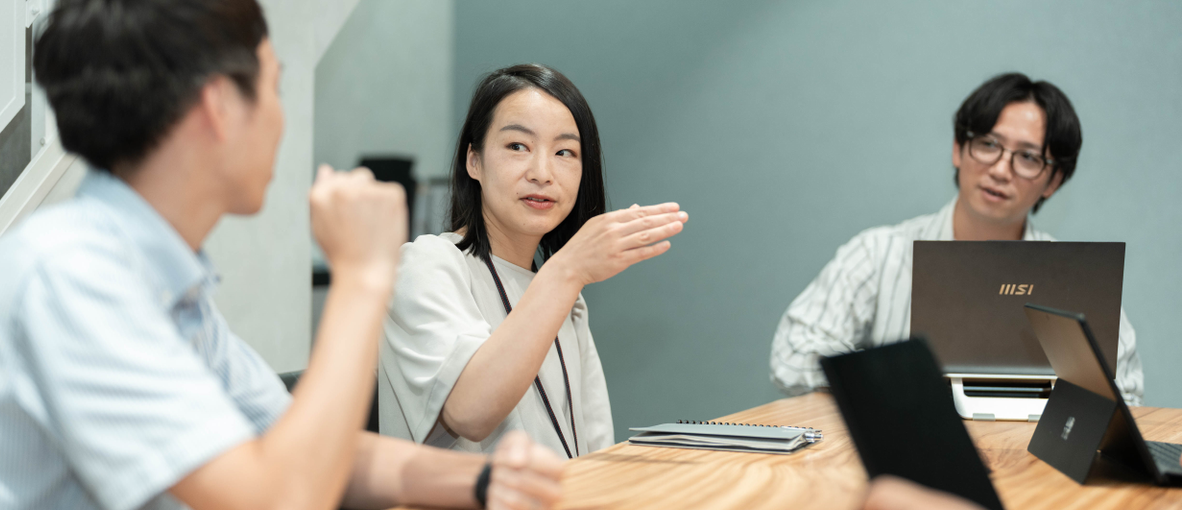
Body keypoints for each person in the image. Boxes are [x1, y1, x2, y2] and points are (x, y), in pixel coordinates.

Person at [0, 1, 563, 509]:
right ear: (219, 106)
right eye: (273, 87)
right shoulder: (71, 277)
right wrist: (362, 274)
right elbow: (282, 495)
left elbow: (316, 449)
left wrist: (485, 479)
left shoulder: (163, 284)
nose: (281, 119)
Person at [770, 72, 1145, 405]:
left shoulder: (1076, 280)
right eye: (988, 144)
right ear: (957, 148)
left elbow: (1125, 392)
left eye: (1028, 157)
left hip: (1034, 472)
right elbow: (792, 353)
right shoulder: (880, 252)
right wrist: (888, 384)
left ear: (1054, 180)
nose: (1000, 170)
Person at [378, 64, 688, 458]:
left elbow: (590, 450)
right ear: (473, 160)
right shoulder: (427, 264)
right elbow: (468, 413)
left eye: (564, 152)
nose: (542, 173)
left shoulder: (565, 296)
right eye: (517, 147)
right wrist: (567, 270)